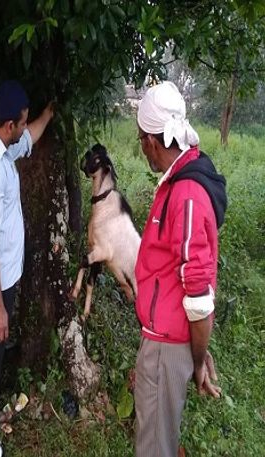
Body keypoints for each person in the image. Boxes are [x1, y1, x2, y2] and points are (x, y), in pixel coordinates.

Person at [134, 81, 226, 457]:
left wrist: (198, 357)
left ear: (152, 142)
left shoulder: (186, 195)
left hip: (165, 347)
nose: (142, 148)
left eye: (141, 139)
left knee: (154, 446)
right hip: (167, 338)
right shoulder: (182, 177)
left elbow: (200, 298)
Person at [0, 81, 54, 456]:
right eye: (21, 121)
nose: (23, 126)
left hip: (7, 276)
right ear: (7, 125)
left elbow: (30, 137)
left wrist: (49, 113)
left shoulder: (5, 148)